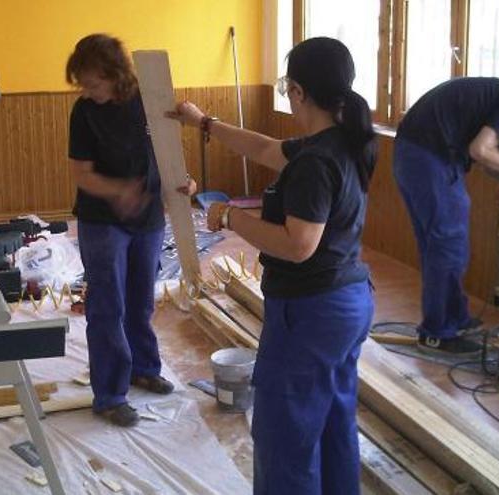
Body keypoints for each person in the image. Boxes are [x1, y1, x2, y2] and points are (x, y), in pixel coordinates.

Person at [169, 37, 376, 494]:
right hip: (348, 303)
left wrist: (230, 216)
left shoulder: (316, 163)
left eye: (287, 88)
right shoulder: (344, 140)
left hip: (310, 313)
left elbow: (298, 244)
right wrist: (205, 122)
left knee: (285, 432)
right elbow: (265, 149)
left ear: (299, 92)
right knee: (332, 421)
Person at [393, 59, 499, 354]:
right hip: (429, 158)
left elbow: (483, 157)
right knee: (449, 245)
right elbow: (481, 149)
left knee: (440, 245)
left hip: (416, 156)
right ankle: (438, 332)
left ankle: (454, 318)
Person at [65, 34, 195, 427]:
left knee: (141, 300)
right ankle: (109, 395)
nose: (88, 92)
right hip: (102, 220)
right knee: (108, 306)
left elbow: (169, 152)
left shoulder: (151, 101)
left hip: (148, 217)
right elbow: (82, 175)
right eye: (83, 85)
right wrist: (118, 190)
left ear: (116, 75)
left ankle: (143, 368)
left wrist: (183, 182)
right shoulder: (84, 112)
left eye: (94, 83)